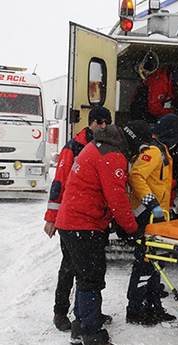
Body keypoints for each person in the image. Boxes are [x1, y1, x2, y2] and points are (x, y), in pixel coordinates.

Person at [55, 122, 138, 345]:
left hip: (70, 222)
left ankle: (80, 326)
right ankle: (93, 337)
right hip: (83, 225)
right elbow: (117, 198)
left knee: (84, 276)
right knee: (91, 279)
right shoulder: (112, 156)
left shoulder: (94, 147)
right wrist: (131, 228)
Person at [43, 106, 112, 332]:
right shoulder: (73, 147)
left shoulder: (105, 147)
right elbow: (59, 182)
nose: (103, 126)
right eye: (99, 122)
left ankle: (87, 312)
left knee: (91, 270)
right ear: (90, 123)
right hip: (71, 220)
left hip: (93, 220)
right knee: (69, 267)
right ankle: (60, 312)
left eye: (106, 122)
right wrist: (52, 217)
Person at [125, 114, 178, 326]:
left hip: (157, 217)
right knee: (145, 262)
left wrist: (167, 210)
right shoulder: (153, 152)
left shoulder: (162, 151)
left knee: (155, 262)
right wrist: (152, 204)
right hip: (146, 216)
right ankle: (135, 309)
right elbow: (136, 177)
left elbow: (160, 184)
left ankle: (153, 305)